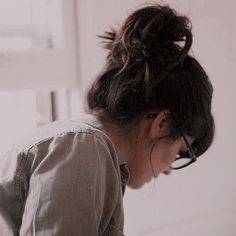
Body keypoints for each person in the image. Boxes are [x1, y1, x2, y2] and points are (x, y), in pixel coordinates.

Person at [0, 4, 214, 236]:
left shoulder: (88, 149)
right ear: (161, 123)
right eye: (180, 152)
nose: (168, 170)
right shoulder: (83, 147)